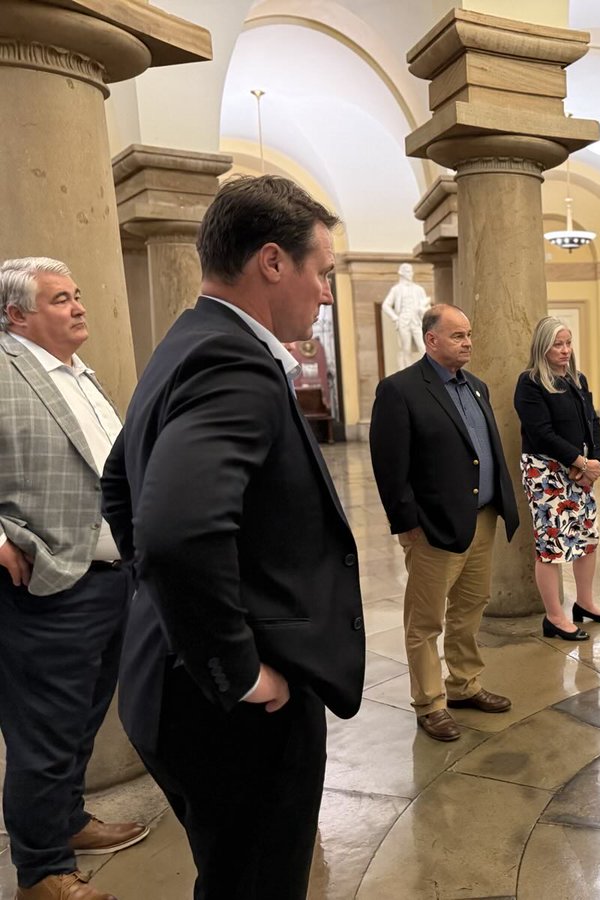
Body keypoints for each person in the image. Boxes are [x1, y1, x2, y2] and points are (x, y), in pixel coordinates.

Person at [101, 176, 366, 899]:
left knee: (230, 874)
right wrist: (238, 669)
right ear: (273, 262)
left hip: (169, 682)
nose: (329, 296)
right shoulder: (234, 364)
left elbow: (117, 482)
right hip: (233, 715)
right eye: (325, 274)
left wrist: (162, 608)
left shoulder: (187, 338)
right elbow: (176, 531)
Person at [0, 257, 147, 900]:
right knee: (43, 731)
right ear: (17, 315)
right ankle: (41, 870)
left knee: (82, 718)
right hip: (47, 582)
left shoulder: (79, 373)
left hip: (110, 577)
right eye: (61, 299)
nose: (79, 306)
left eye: (78, 295)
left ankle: (68, 821)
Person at [369, 304, 520, 742]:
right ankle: (429, 703)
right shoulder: (400, 391)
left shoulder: (476, 387)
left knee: (470, 608)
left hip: (482, 520)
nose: (468, 342)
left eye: (469, 334)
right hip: (434, 526)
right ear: (431, 340)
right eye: (457, 336)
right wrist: (407, 524)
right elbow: (389, 465)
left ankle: (464, 684)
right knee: (425, 620)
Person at [514, 316, 600, 642]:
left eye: (568, 343)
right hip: (545, 472)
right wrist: (581, 461)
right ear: (542, 347)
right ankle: (555, 617)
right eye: (558, 344)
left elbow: (592, 421)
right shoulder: (530, 383)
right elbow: (541, 433)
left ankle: (585, 603)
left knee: (587, 539)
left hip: (580, 470)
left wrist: (596, 460)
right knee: (551, 546)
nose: (565, 350)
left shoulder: (576, 379)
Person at [381, 262, 430, 371]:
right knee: (406, 349)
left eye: (411, 271)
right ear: (402, 273)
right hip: (404, 321)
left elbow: (427, 306)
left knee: (423, 347)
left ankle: (426, 370)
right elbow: (386, 305)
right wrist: (395, 318)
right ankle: (408, 373)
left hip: (417, 321)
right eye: (408, 271)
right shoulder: (396, 289)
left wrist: (423, 310)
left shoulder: (419, 289)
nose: (411, 273)